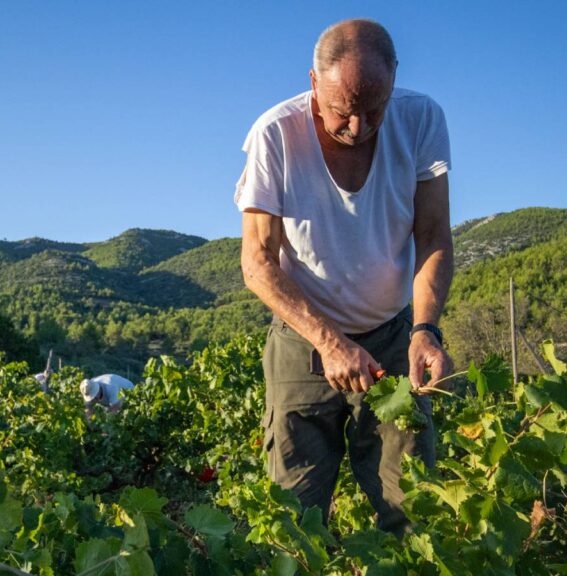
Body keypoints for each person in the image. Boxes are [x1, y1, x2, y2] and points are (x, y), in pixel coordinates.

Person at [236, 18, 454, 536]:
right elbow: (257, 263)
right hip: (302, 344)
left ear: (394, 81)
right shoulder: (275, 133)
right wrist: (330, 343)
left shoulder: (422, 120)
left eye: (373, 110)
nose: (358, 127)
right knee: (294, 519)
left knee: (414, 509)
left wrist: (425, 330)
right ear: (314, 82)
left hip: (392, 338)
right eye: (341, 111)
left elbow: (434, 236)